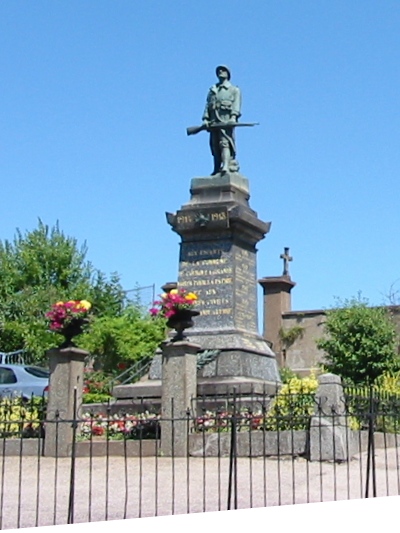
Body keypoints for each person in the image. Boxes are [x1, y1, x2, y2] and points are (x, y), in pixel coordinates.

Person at [202, 65, 241, 174]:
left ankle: (226, 166)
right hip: (213, 121)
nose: (220, 72)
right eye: (219, 70)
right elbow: (208, 105)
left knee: (224, 143)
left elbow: (236, 106)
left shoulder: (234, 90)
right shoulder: (213, 90)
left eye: (223, 70)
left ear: (228, 74)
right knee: (214, 146)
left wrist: (233, 117)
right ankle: (216, 168)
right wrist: (205, 118)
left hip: (226, 120)